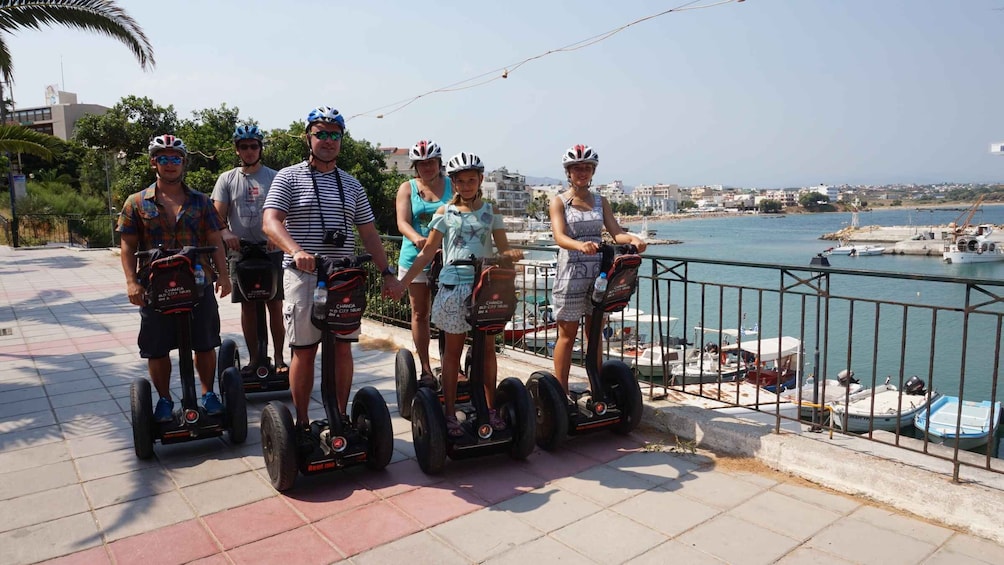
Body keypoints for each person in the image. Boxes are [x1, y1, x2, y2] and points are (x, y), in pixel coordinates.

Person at [262, 106, 404, 434]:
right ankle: (300, 422)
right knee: (305, 350)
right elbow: (270, 222)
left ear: (341, 139)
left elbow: (368, 232)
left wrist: (387, 273)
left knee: (342, 348)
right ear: (308, 137)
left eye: (334, 135)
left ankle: (339, 418)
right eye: (321, 134)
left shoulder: (351, 185)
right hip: (304, 275)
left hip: (343, 278)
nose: (328, 140)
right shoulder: (288, 177)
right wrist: (296, 251)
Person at [391, 152, 523, 437]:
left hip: (484, 289)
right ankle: (449, 413)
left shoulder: (491, 212)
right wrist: (403, 283)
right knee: (452, 354)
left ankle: (489, 408)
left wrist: (510, 255)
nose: (466, 186)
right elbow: (427, 252)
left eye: (471, 180)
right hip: (453, 287)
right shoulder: (445, 213)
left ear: (480, 180)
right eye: (460, 181)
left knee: (487, 351)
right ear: (453, 182)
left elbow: (502, 247)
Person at [118, 134, 232, 423]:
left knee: (205, 343)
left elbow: (214, 239)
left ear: (183, 163)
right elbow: (129, 246)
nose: (170, 164)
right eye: (163, 158)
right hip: (155, 286)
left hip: (198, 282)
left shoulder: (201, 201)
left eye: (176, 158)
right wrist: (132, 282)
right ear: (154, 162)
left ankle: (208, 394)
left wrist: (224, 275)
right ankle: (165, 400)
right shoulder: (136, 202)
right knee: (156, 348)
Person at [548, 144, 647, 398]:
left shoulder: (601, 202)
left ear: (593, 171)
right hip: (570, 273)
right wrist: (580, 245)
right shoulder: (559, 202)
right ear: (568, 172)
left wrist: (634, 239)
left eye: (587, 168)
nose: (582, 172)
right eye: (577, 168)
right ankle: (560, 392)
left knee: (595, 333)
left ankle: (596, 386)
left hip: (600, 274)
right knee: (567, 335)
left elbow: (616, 232)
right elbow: (559, 236)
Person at [211, 125, 286, 376]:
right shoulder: (227, 179)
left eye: (254, 146)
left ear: (260, 148)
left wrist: (278, 236)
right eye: (244, 146)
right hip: (240, 251)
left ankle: (278, 357)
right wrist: (225, 233)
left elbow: (286, 212)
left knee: (274, 304)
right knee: (248, 306)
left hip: (271, 250)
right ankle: (255, 359)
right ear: (237, 150)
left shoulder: (275, 177)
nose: (250, 151)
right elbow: (217, 216)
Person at [395, 139, 453, 386]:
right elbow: (402, 222)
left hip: (449, 257)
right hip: (416, 258)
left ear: (439, 164)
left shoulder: (453, 185)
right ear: (416, 167)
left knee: (452, 313)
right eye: (422, 164)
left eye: (431, 162)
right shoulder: (407, 188)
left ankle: (452, 365)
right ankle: (426, 368)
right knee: (420, 313)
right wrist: (417, 237)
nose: (427, 167)